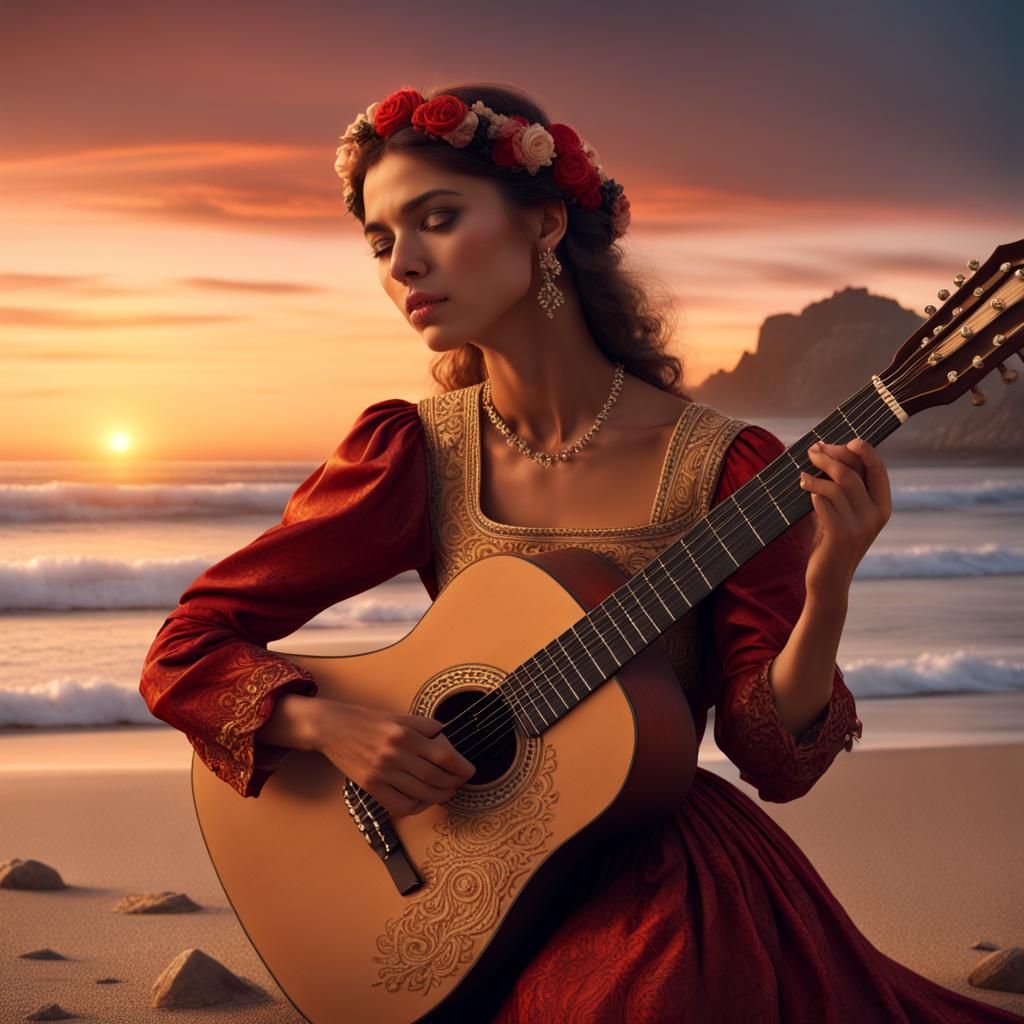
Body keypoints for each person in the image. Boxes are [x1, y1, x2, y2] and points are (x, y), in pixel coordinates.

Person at [139, 83, 1020, 1023]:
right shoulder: (416, 454)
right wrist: (328, 727)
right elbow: (186, 647)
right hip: (466, 865)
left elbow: (774, 759)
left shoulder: (729, 470)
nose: (404, 264)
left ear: (546, 222)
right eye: (380, 241)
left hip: (652, 864)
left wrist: (830, 581)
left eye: (438, 219)